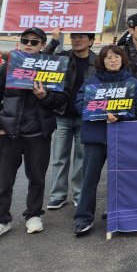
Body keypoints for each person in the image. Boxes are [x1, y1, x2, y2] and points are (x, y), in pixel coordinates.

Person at [0, 27, 69, 240]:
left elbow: (61, 100)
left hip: (38, 135)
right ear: (20, 43)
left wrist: (45, 96)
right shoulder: (5, 69)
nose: (29, 44)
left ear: (42, 46)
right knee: (4, 180)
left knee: (37, 178)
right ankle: (0, 220)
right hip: (8, 135)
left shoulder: (52, 68)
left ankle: (33, 215)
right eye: (25, 41)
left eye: (34, 42)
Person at [74, 45, 137, 236]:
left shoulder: (132, 82)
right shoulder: (91, 82)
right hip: (95, 137)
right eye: (108, 58)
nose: (113, 60)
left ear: (122, 59)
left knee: (121, 179)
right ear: (102, 61)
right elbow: (80, 104)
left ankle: (120, 214)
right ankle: (83, 218)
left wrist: (121, 115)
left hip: (121, 137)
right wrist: (99, 112)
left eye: (116, 57)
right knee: (89, 179)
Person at [42, 28, 97, 210]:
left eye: (82, 36)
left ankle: (79, 193)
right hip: (62, 115)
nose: (76, 40)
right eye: (74, 36)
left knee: (82, 158)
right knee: (59, 157)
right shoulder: (63, 57)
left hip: (86, 117)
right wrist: (55, 41)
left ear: (91, 41)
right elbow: (39, 61)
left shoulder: (97, 61)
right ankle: (58, 195)